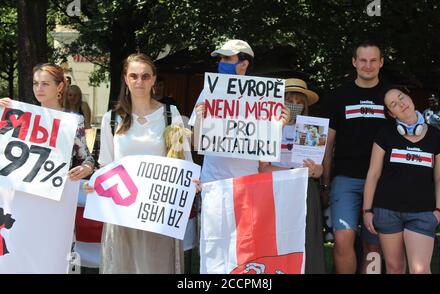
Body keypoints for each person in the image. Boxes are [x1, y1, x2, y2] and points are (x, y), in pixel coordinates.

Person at [84, 53, 194, 274]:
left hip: (158, 213)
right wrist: (96, 183)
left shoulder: (170, 115)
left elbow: (184, 162)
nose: (139, 81)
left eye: (145, 76)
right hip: (122, 213)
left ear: (154, 79)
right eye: (133, 76)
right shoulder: (111, 118)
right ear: (125, 78)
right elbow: (106, 165)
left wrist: (193, 182)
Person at [321, 41, 390, 274]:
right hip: (345, 179)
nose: (367, 65)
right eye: (362, 60)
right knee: (342, 238)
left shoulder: (391, 96)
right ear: (354, 62)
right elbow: (328, 144)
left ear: (381, 63)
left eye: (373, 60)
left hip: (382, 182)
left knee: (374, 244)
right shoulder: (339, 96)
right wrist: (326, 183)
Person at [363, 88, 440, 274]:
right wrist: (367, 210)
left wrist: (438, 210)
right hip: (387, 212)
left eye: (401, 97)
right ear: (392, 114)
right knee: (394, 268)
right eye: (394, 104)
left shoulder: (435, 136)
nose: (401, 103)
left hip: (422, 213)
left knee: (420, 269)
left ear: (409, 97)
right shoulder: (385, 134)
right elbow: (373, 173)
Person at [189, 39, 290, 183]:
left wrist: (277, 126)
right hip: (212, 181)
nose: (221, 62)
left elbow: (264, 159)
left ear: (244, 64)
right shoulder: (209, 92)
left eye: (227, 58)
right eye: (221, 58)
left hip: (246, 183)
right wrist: (199, 119)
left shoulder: (262, 98)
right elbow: (196, 143)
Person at [260, 78, 326, 274]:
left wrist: (315, 171)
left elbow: (319, 169)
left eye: (299, 102)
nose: (294, 105)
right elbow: (262, 168)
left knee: (308, 239)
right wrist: (293, 174)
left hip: (305, 190)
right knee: (278, 239)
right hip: (276, 190)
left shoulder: (312, 128)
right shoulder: (268, 128)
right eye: (289, 100)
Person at [0, 63, 95, 181]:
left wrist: (86, 168)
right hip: (17, 192)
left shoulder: (72, 120)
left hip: (54, 192)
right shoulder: (20, 114)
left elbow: (87, 158)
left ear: (59, 87)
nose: (39, 88)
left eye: (45, 84)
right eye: (35, 83)